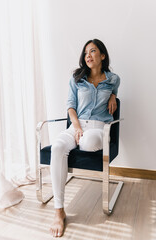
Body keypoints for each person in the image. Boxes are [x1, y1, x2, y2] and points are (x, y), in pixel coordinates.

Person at [49, 39, 120, 237]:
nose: (88, 55)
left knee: (88, 143)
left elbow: (115, 89)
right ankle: (58, 211)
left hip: (99, 128)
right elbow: (71, 106)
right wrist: (77, 127)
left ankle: (78, 142)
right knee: (57, 147)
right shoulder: (77, 79)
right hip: (77, 126)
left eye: (93, 51)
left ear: (102, 56)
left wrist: (113, 95)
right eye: (86, 52)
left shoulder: (113, 79)